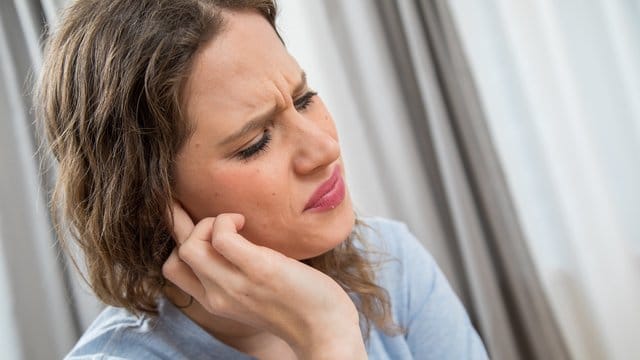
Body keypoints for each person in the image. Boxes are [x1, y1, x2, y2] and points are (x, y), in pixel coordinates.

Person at [37, 0, 489, 359]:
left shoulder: (392, 262)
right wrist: (326, 336)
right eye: (255, 141)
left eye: (304, 97)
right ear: (149, 204)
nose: (325, 149)